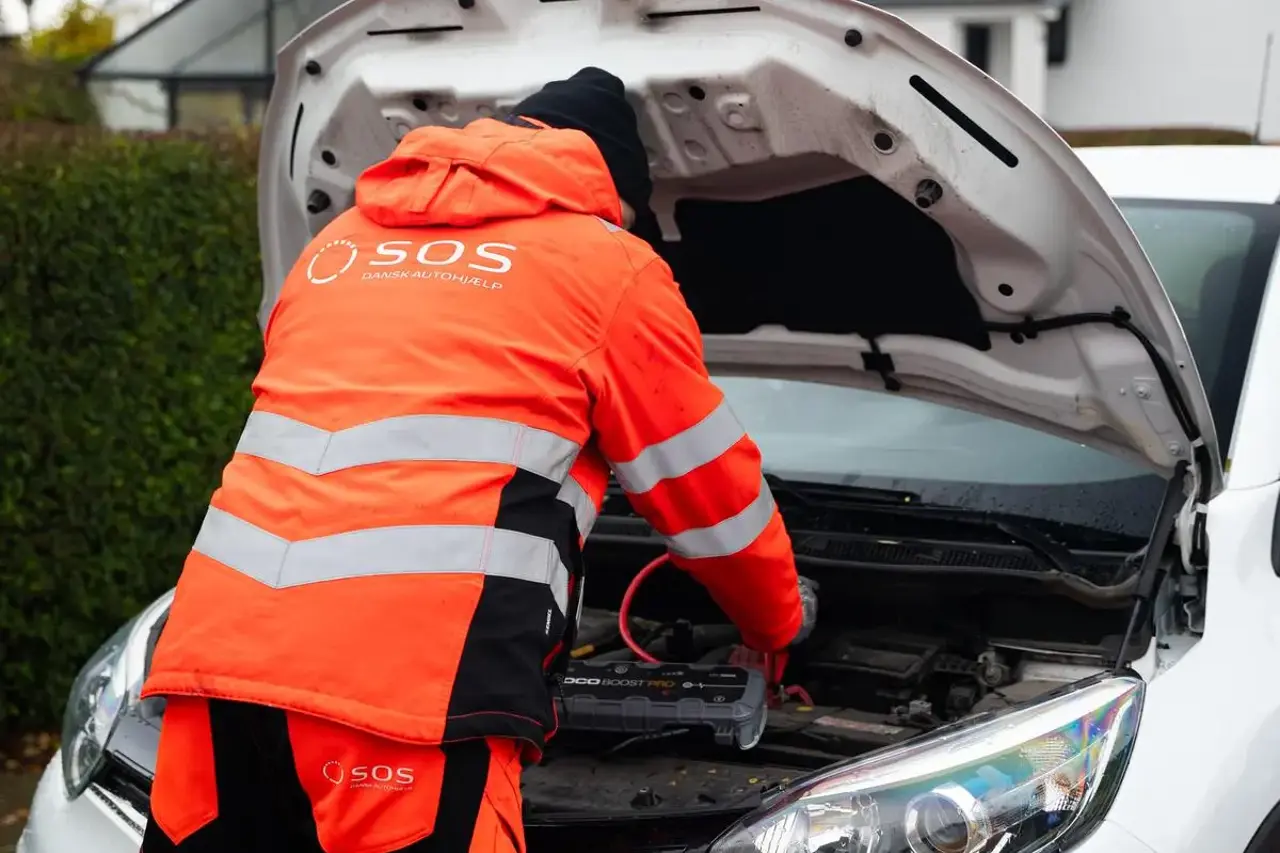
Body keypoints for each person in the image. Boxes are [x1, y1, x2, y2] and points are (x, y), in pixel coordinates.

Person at [138, 67, 817, 853]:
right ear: (612, 189)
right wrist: (777, 623)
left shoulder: (338, 246)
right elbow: (712, 495)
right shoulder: (609, 265)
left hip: (211, 663)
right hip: (406, 691)